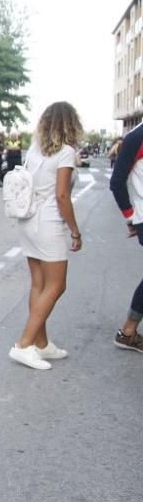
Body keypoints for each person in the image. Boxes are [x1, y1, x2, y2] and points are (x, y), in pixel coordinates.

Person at [8, 102, 83, 370]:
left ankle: (42, 344)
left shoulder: (33, 150)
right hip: (48, 223)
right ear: (70, 124)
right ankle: (24, 344)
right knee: (57, 285)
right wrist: (75, 230)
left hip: (27, 221)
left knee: (38, 284)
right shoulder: (66, 153)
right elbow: (62, 196)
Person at [109, 123, 143, 353]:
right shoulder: (136, 137)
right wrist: (130, 215)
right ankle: (128, 331)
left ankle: (129, 331)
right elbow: (116, 181)